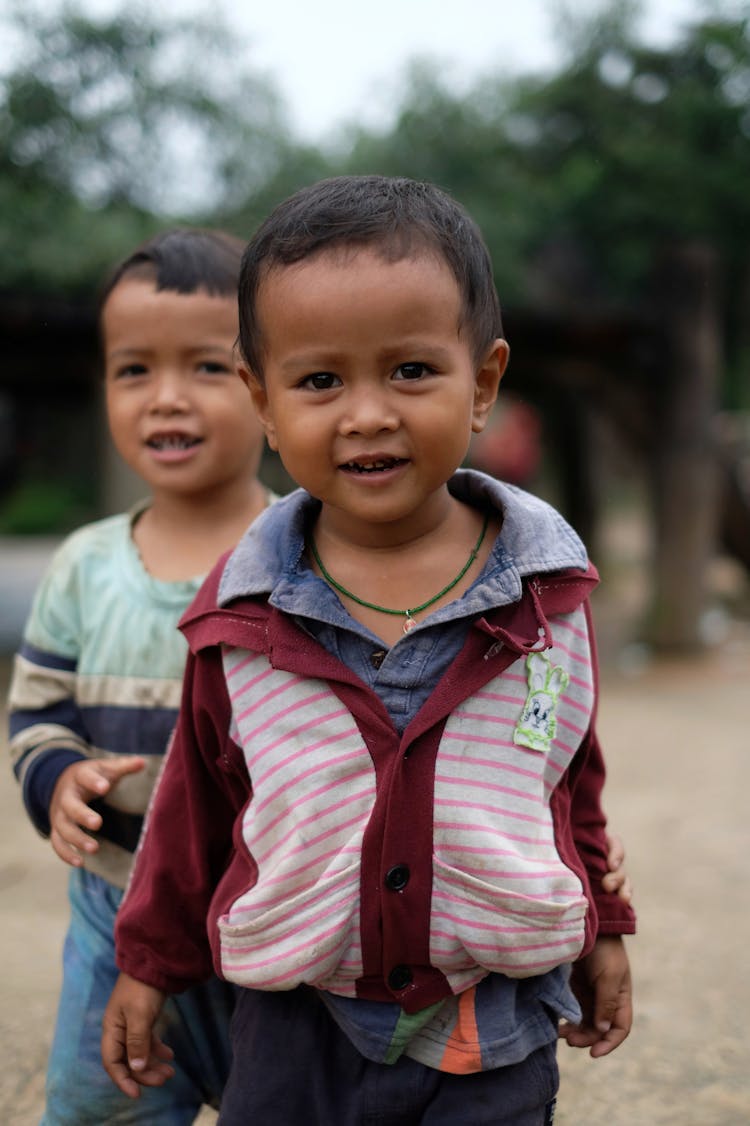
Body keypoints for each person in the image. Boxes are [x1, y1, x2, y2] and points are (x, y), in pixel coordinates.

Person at [101, 176, 636, 1125]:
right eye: (319, 382)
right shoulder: (239, 616)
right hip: (296, 1021)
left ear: (483, 382)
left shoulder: (546, 596)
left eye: (411, 371)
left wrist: (603, 924)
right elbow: (196, 804)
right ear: (265, 404)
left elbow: (565, 777)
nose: (367, 414)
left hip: (494, 1019)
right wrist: (149, 962)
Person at [7, 228, 272, 1124]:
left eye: (206, 367)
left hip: (269, 924)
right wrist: (57, 778)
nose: (166, 399)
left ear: (268, 385)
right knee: (102, 1106)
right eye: (132, 370)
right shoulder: (83, 566)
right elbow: (36, 713)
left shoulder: (305, 558)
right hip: (114, 909)